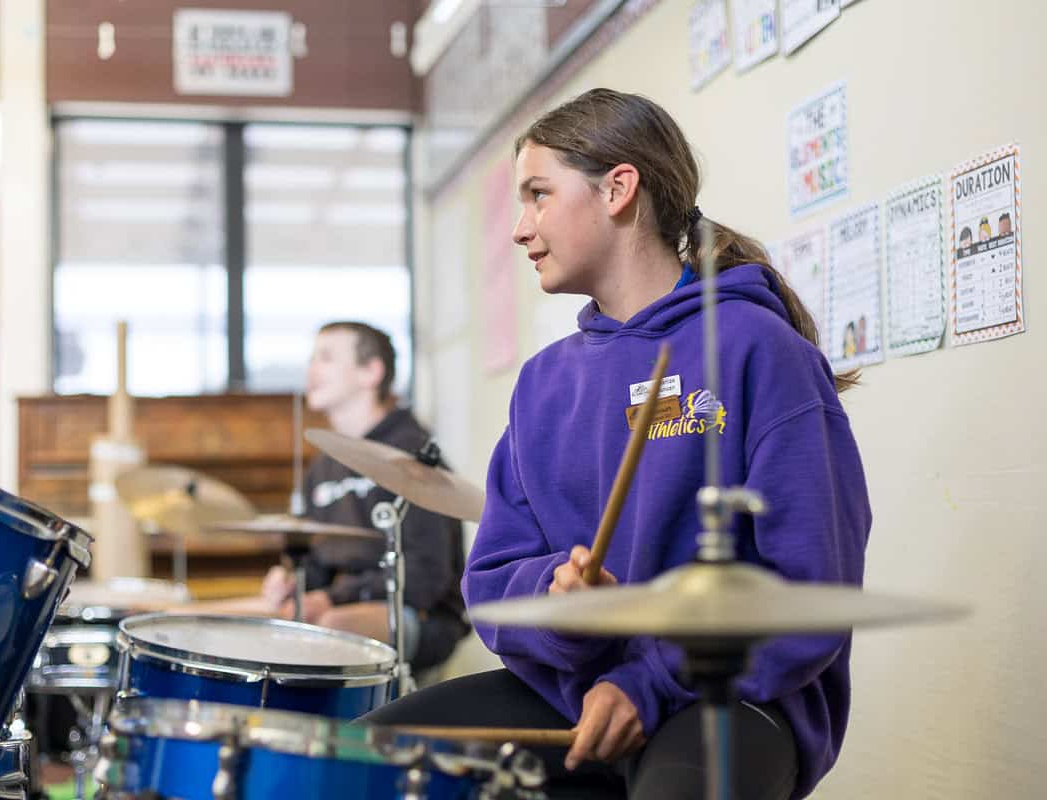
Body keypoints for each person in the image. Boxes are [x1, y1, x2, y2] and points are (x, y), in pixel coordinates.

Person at [364, 88, 870, 800]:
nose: (519, 228)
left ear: (618, 189)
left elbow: (810, 586)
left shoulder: (760, 350)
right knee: (365, 762)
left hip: (728, 694)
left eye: (538, 195)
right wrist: (558, 601)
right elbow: (493, 578)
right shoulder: (543, 383)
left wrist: (650, 680)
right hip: (575, 691)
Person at [192, 322, 469, 672]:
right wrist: (293, 582)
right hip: (340, 604)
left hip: (418, 613)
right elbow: (317, 565)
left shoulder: (411, 454)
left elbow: (425, 576)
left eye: (326, 358)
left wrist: (331, 598)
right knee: (201, 618)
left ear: (371, 371)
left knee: (323, 629)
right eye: (312, 358)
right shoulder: (324, 464)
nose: (311, 370)